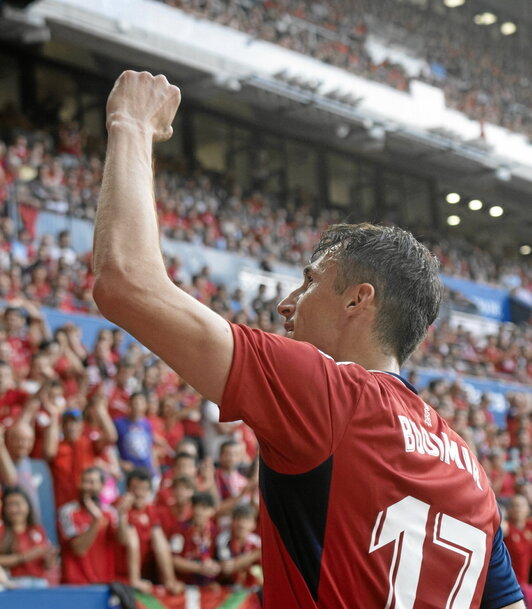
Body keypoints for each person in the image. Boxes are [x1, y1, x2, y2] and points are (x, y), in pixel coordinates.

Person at [92, 70, 524, 609]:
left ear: (356, 301)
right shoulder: (472, 472)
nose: (286, 302)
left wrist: (128, 122)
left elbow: (126, 283)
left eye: (311, 279)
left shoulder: (330, 395)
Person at [0, 486, 56, 587]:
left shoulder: (37, 529)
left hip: (39, 582)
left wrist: (50, 558)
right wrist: (24, 557)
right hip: (12, 583)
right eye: (9, 505)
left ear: (28, 506)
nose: (14, 509)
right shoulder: (2, 531)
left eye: (18, 504)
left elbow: (47, 565)